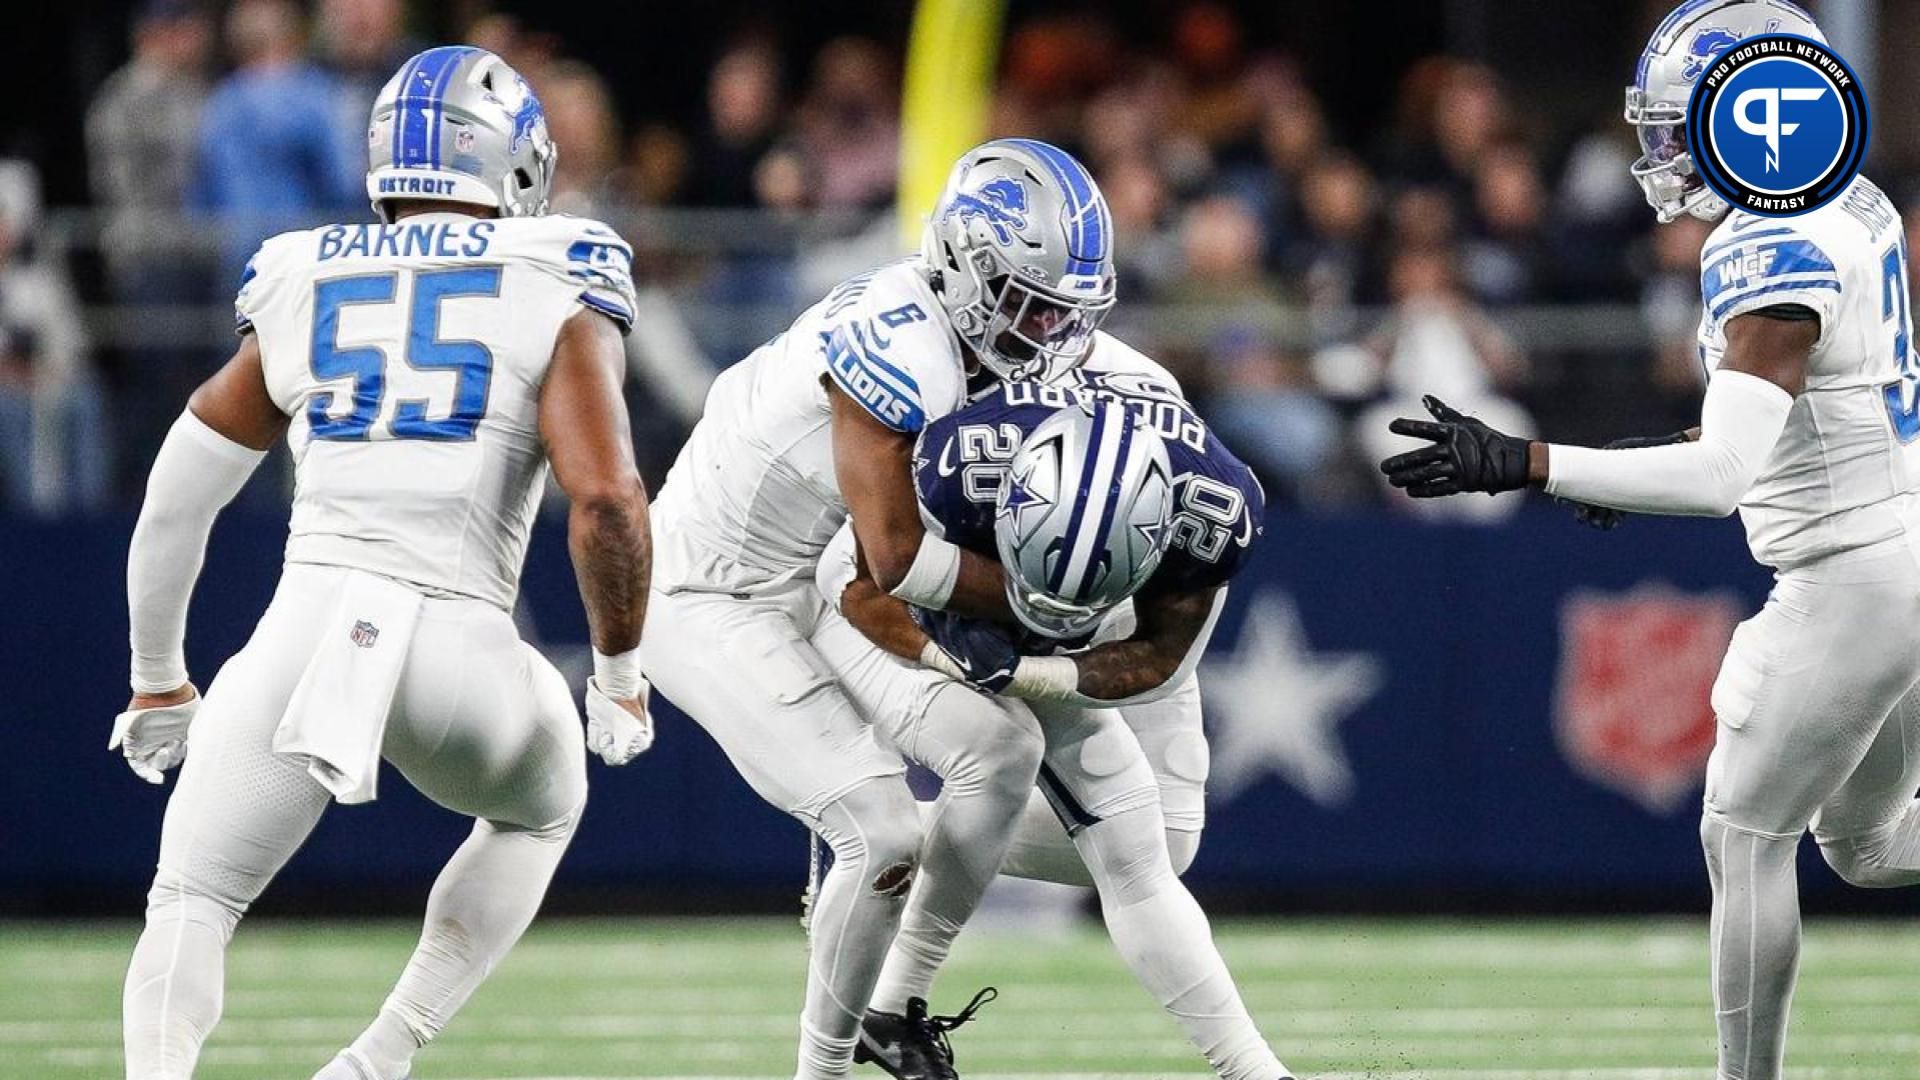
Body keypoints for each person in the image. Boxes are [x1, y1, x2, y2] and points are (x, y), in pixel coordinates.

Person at [1377, 4, 1920, 1078]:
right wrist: (1642, 455)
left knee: (1745, 832)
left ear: (1756, 119)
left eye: (1679, 125)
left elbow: (1722, 478)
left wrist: (1530, 460)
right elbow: (1807, 415)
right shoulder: (1851, 204)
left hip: (1852, 575)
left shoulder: (1770, 243)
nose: (1661, 152)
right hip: (1895, 542)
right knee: (1864, 848)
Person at [114, 47, 653, 1080]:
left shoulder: (305, 272)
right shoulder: (557, 273)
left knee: (190, 896)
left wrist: (156, 676)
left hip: (303, 635)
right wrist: (622, 677)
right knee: (547, 804)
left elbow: (177, 496)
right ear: (510, 162)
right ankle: (379, 1057)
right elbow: (609, 502)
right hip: (456, 642)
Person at [638, 138, 1120, 1080]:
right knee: (886, 831)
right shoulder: (902, 340)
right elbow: (897, 554)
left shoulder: (971, 336)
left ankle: (891, 1006)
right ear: (972, 268)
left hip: (812, 576)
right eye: (1031, 301)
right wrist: (1053, 597)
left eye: (1064, 310)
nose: (1050, 331)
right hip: (709, 591)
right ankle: (819, 1071)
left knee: (1003, 749)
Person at [818, 354, 1288, 1080]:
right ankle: (1253, 1070)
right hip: (970, 585)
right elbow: (848, 581)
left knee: (1171, 841)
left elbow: (1161, 657)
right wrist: (948, 654)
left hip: (1115, 624)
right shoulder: (956, 461)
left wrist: (1039, 671)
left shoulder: (1212, 506)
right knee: (1129, 844)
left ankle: (888, 841)